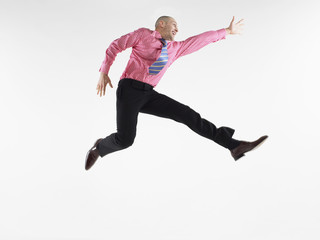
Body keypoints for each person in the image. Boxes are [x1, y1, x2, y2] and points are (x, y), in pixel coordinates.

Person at [85, 16, 268, 170]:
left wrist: (226, 31)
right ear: (161, 24)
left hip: (149, 94)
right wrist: (104, 72)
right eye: (174, 25)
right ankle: (100, 148)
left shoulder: (174, 49)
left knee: (187, 115)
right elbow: (115, 46)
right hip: (129, 90)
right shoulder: (144, 35)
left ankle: (234, 145)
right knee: (125, 139)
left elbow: (198, 40)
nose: (177, 30)